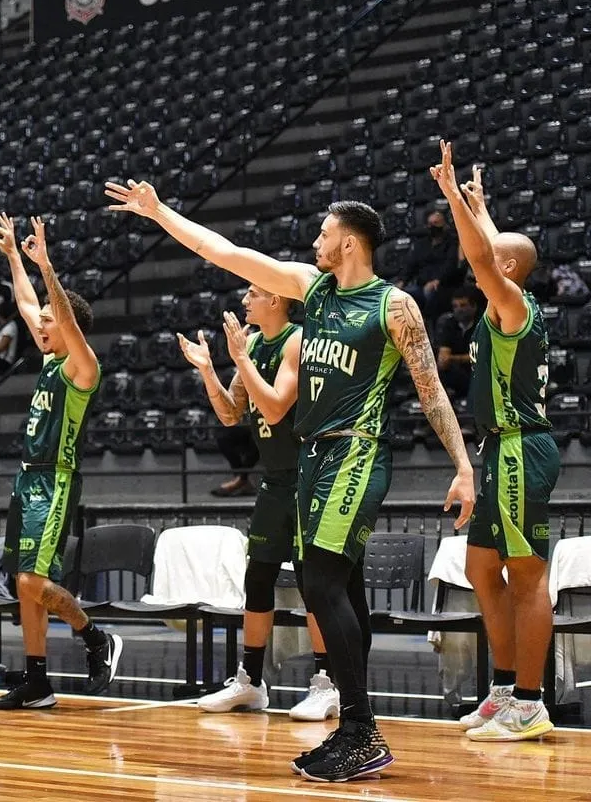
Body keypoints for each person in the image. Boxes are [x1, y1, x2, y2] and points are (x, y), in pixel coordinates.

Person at [107, 180, 474, 782]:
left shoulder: (393, 306)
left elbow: (432, 392)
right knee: (343, 591)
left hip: (356, 454)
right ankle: (358, 725)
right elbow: (226, 253)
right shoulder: (312, 288)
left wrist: (463, 468)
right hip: (311, 460)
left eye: (324, 235)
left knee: (322, 584)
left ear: (350, 243)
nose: (314, 242)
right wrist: (160, 212)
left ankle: (358, 730)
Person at [431, 142, 560, 742]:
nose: (473, 258)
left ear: (506, 270)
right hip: (497, 451)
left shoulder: (510, 303)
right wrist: (480, 208)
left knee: (526, 574)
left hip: (519, 447)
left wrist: (455, 200)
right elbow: (490, 250)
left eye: (488, 256)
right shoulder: (503, 301)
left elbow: (485, 257)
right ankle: (506, 689)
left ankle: (531, 704)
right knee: (483, 565)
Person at [179, 285, 335, 722]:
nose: (245, 299)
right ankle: (250, 681)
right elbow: (233, 413)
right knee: (258, 578)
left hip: (308, 477)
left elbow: (278, 406)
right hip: (274, 480)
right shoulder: (252, 344)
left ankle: (327, 684)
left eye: (254, 292)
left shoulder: (296, 340)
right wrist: (210, 369)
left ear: (278, 300)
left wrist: (242, 359)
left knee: (312, 584)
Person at [0, 212, 121, 710]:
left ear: (68, 327)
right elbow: (27, 305)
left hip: (55, 482)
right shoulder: (49, 357)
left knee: (31, 581)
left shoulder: (82, 368)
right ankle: (37, 681)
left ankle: (94, 637)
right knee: (24, 587)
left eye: (49, 321)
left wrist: (46, 267)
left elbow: (50, 309)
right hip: (26, 481)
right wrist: (12, 259)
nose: (38, 324)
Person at [396, 210, 464, 322]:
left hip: (443, 285)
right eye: (430, 224)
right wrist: (402, 281)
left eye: (436, 223)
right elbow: (411, 264)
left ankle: (430, 327)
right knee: (401, 294)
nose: (432, 227)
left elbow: (451, 264)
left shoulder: (452, 243)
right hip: (420, 284)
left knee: (431, 294)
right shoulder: (421, 244)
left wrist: (438, 280)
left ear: (444, 225)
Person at [436, 286, 482, 400]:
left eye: (463, 305)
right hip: (458, 371)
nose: (459, 310)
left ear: (474, 306)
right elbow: (444, 355)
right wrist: (445, 359)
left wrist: (452, 359)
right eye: (455, 306)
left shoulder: (482, 325)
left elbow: (479, 358)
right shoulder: (450, 324)